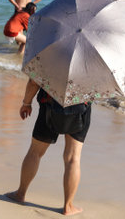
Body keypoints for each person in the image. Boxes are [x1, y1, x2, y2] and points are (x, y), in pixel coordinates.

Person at [5, 79, 92, 216]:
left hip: (50, 103)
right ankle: (68, 206)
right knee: (72, 159)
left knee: (35, 152)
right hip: (80, 106)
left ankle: (20, 194)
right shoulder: (93, 58)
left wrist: (26, 103)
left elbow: (34, 81)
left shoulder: (49, 56)